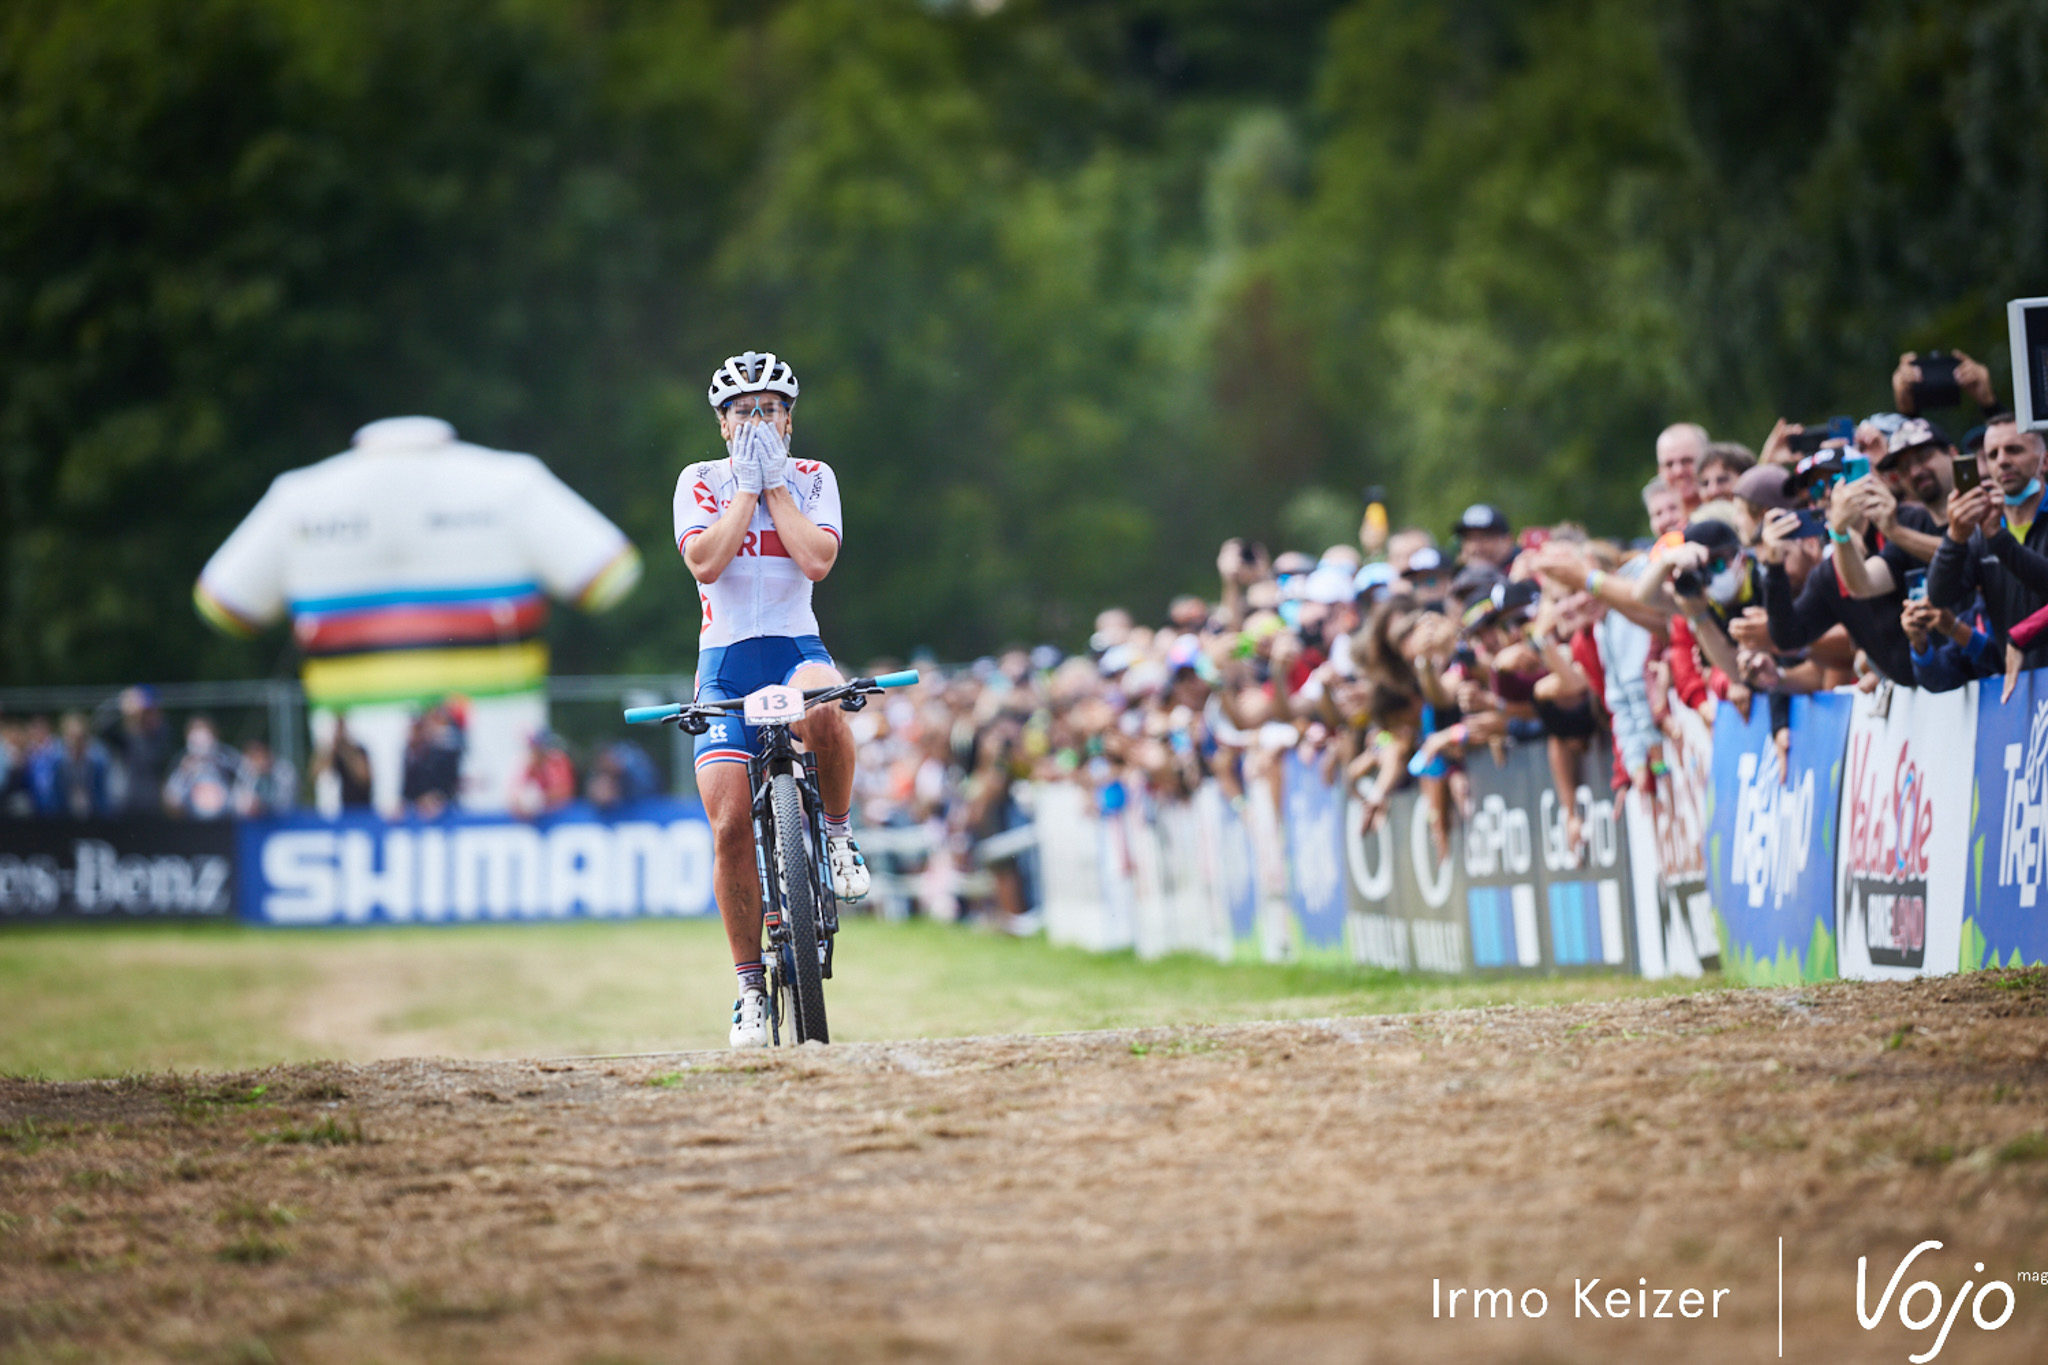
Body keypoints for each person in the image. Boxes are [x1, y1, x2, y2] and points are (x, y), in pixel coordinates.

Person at [194, 416, 641, 815]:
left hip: (377, 802)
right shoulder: (513, 483)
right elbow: (612, 576)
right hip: (493, 792)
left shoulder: (297, 497)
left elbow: (223, 605)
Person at [674, 351, 868, 1048]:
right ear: (723, 424)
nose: (758, 420)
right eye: (743, 410)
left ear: (790, 419)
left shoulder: (815, 478)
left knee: (827, 700)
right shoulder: (699, 480)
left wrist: (777, 486)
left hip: (794, 650)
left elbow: (817, 559)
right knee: (729, 822)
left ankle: (838, 838)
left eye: (771, 409)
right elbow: (705, 562)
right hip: (725, 664)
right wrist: (745, 492)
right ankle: (750, 988)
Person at [162, 716, 241, 819]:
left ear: (214, 738)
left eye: (205, 740)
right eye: (196, 742)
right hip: (190, 821)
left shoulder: (227, 758)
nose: (201, 746)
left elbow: (246, 776)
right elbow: (170, 796)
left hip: (227, 818)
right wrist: (184, 772)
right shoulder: (181, 762)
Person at [1656, 423, 1709, 514]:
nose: (1678, 471)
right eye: (1669, 464)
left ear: (1709, 462)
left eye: (1686, 461)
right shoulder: (1663, 521)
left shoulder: (1730, 517)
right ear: (1660, 471)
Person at [1451, 504, 1516, 571]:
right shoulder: (1455, 573)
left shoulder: (1519, 571)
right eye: (1469, 539)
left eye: (1485, 538)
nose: (1475, 547)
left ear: (1507, 541)